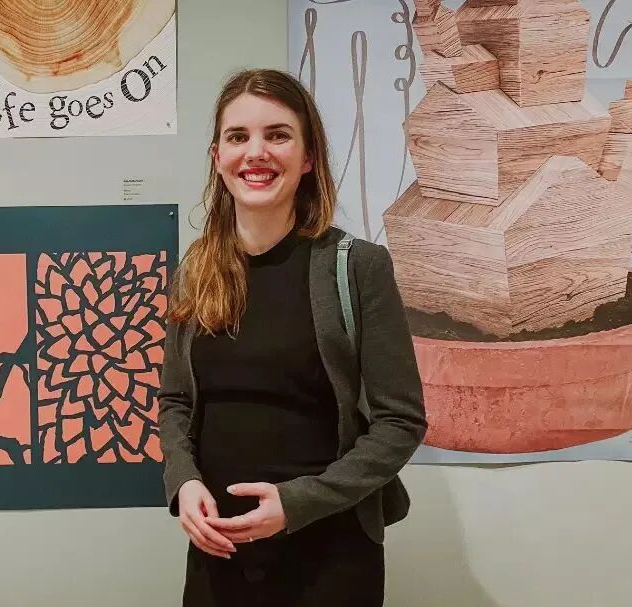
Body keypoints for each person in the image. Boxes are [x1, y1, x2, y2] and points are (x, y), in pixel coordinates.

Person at [156, 68, 427, 606]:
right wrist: (183, 483)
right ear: (218, 157)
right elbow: (176, 401)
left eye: (277, 135)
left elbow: (400, 422)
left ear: (307, 158)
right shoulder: (196, 271)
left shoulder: (358, 268)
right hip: (220, 555)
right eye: (238, 136)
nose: (255, 152)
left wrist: (297, 503)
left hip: (330, 554)